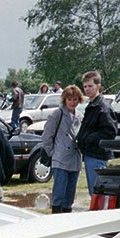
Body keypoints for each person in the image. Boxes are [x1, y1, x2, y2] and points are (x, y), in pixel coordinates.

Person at [41, 85, 83, 213]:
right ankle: (56, 218)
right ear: (64, 100)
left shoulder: (80, 116)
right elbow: (46, 137)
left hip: (75, 160)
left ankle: (67, 217)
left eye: (75, 99)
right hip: (60, 159)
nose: (72, 102)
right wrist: (53, 153)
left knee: (69, 196)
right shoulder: (57, 114)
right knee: (59, 194)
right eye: (69, 99)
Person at [75, 71, 117, 195]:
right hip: (90, 154)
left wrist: (88, 138)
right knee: (93, 192)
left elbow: (110, 132)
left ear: (98, 86)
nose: (87, 89)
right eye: (85, 86)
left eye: (90, 86)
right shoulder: (92, 105)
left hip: (97, 155)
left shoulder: (103, 108)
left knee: (97, 193)